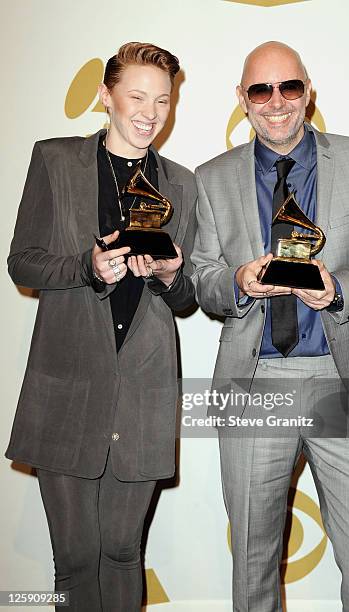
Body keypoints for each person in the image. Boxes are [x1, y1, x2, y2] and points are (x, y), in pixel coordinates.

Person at [191, 41, 349, 611]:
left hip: (341, 380)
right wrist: (237, 282)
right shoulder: (211, 178)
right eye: (260, 90)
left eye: (289, 87)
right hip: (254, 380)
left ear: (308, 92)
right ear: (242, 100)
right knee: (254, 563)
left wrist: (338, 288)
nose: (276, 102)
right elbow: (202, 280)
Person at [6, 42, 196, 611]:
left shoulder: (182, 184)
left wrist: (168, 273)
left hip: (144, 391)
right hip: (67, 386)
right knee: (76, 559)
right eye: (137, 96)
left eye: (163, 100)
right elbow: (22, 261)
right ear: (104, 95)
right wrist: (85, 267)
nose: (150, 112)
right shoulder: (55, 159)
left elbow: (186, 299)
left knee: (121, 552)